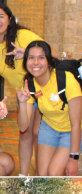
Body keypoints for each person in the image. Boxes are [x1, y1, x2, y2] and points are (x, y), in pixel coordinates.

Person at [0, 4, 58, 176]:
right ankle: (24, 175)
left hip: (41, 90)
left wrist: (28, 54)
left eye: (1, 16)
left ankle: (40, 175)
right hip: (24, 93)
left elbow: (53, 54)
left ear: (9, 19)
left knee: (37, 132)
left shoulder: (22, 36)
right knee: (25, 133)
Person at [17, 40, 81, 176]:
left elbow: (77, 124)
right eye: (31, 58)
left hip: (71, 130)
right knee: (43, 175)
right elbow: (23, 127)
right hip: (49, 127)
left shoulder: (66, 80)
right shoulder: (30, 85)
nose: (35, 63)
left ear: (49, 61)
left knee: (54, 173)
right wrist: (22, 103)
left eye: (41, 57)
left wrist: (73, 159)